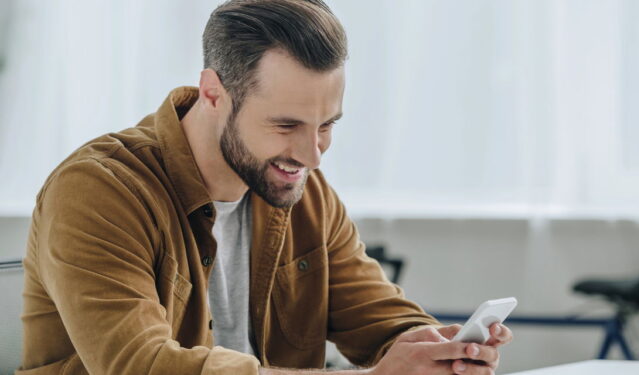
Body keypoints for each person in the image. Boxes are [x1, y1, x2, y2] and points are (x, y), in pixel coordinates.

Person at [18, 1, 512, 374]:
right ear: (213, 93)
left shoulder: (300, 190)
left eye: (327, 125)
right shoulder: (97, 192)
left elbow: (376, 313)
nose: (313, 154)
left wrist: (433, 349)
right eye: (286, 125)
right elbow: (141, 365)